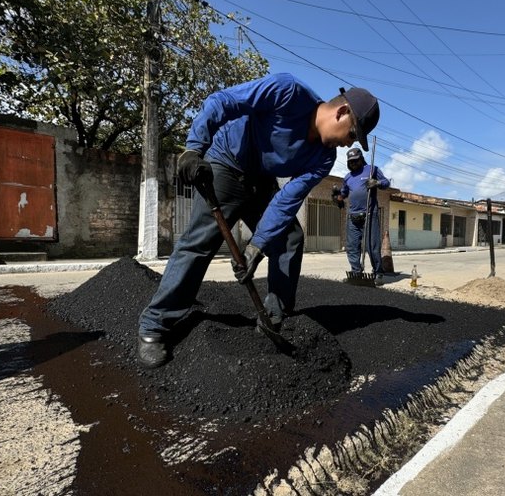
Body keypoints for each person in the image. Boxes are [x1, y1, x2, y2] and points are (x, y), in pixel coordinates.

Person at [137, 73, 380, 368]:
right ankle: (154, 327)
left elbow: (286, 200)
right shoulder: (288, 91)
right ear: (342, 113)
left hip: (261, 181)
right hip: (227, 162)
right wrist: (194, 147)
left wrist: (257, 246)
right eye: (352, 135)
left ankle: (275, 318)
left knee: (289, 238)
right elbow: (223, 102)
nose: (347, 145)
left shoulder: (323, 158)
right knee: (200, 243)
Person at [333, 147, 390, 285]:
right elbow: (344, 194)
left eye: (355, 161)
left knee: (372, 246)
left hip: (370, 213)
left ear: (361, 159)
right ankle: (356, 272)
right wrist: (337, 197)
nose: (353, 163)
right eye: (350, 162)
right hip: (352, 215)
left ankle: (378, 273)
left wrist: (376, 183)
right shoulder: (347, 177)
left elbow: (386, 183)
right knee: (352, 246)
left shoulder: (371, 170)